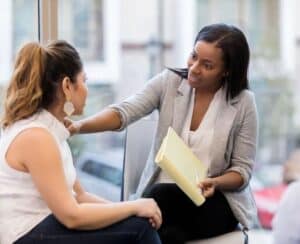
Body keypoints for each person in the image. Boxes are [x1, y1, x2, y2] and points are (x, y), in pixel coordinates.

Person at [66, 23, 258, 243]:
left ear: (226, 70)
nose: (194, 68)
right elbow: (124, 112)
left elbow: (242, 172)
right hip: (165, 204)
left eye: (207, 65)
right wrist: (79, 126)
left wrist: (215, 183)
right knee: (165, 233)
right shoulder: (170, 82)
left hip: (212, 201)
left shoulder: (243, 103)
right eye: (193, 56)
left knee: (156, 204)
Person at [0, 40, 162, 244]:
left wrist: (132, 211)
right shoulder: (36, 137)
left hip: (44, 229)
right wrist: (134, 206)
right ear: (67, 86)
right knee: (139, 231)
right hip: (25, 236)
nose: (86, 89)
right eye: (83, 81)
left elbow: (81, 196)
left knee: (138, 222)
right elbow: (72, 216)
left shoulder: (51, 132)